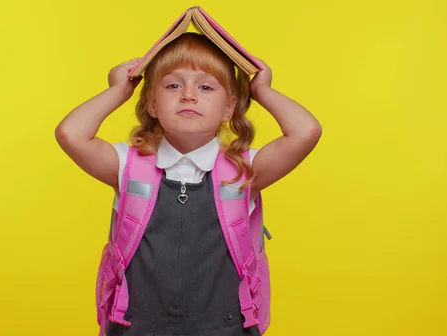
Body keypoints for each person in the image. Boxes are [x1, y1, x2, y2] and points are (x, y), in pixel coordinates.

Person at [55, 32, 322, 336]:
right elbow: (70, 134)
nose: (188, 95)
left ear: (228, 108)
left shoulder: (245, 169)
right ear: (152, 103)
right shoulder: (127, 165)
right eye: (173, 85)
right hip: (135, 328)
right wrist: (118, 91)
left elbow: (306, 131)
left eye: (206, 86)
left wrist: (260, 90)